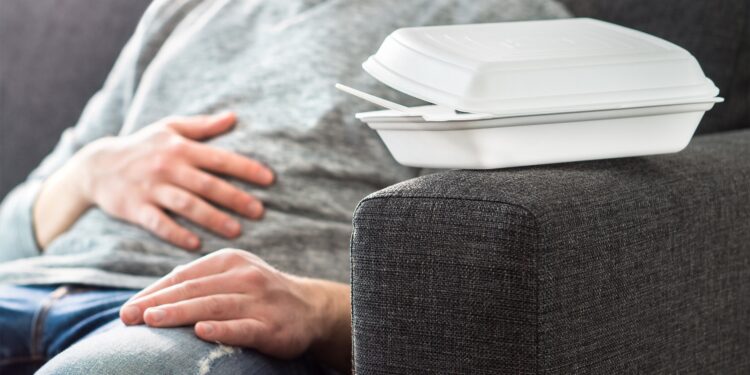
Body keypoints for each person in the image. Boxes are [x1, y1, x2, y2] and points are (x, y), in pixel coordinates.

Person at [0, 0, 570, 373]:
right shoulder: (186, 9)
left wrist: (322, 310)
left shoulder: (509, 25)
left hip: (197, 323)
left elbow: (530, 299)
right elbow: (9, 237)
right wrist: (87, 174)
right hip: (28, 284)